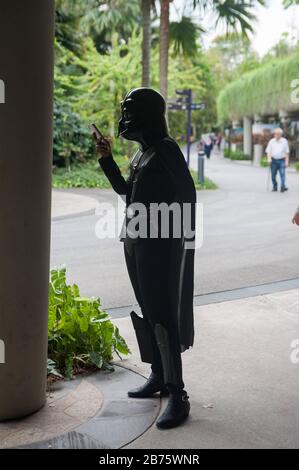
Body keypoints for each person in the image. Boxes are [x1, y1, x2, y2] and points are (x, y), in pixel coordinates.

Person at [93, 87, 196, 430]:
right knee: (149, 313)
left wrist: (170, 242)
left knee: (163, 316)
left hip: (159, 248)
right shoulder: (142, 155)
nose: (125, 118)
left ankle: (177, 394)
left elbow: (186, 198)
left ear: (149, 115)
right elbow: (126, 192)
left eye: (130, 110)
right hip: (135, 244)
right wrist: (106, 159)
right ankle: (157, 375)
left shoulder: (166, 151)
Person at [266, 128, 290, 192]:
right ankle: (275, 186)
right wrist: (269, 159)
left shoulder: (284, 141)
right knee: (273, 175)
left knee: (282, 174)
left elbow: (286, 152)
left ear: (281, 134)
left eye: (278, 134)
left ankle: (282, 186)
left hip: (282, 160)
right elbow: (269, 151)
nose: (276, 135)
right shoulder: (271, 141)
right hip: (273, 160)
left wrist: (286, 162)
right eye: (275, 134)